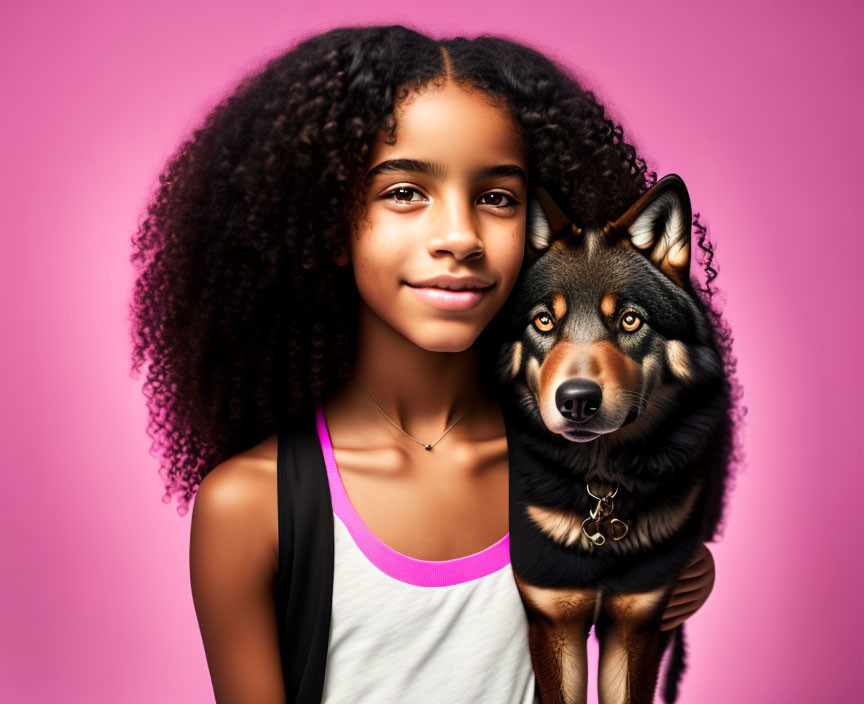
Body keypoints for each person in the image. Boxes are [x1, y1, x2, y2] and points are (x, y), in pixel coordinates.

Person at [129, 25, 717, 703]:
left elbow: (642, 587)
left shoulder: (585, 464)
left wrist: (680, 569)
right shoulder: (255, 505)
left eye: (497, 198)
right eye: (405, 192)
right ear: (327, 223)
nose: (460, 237)